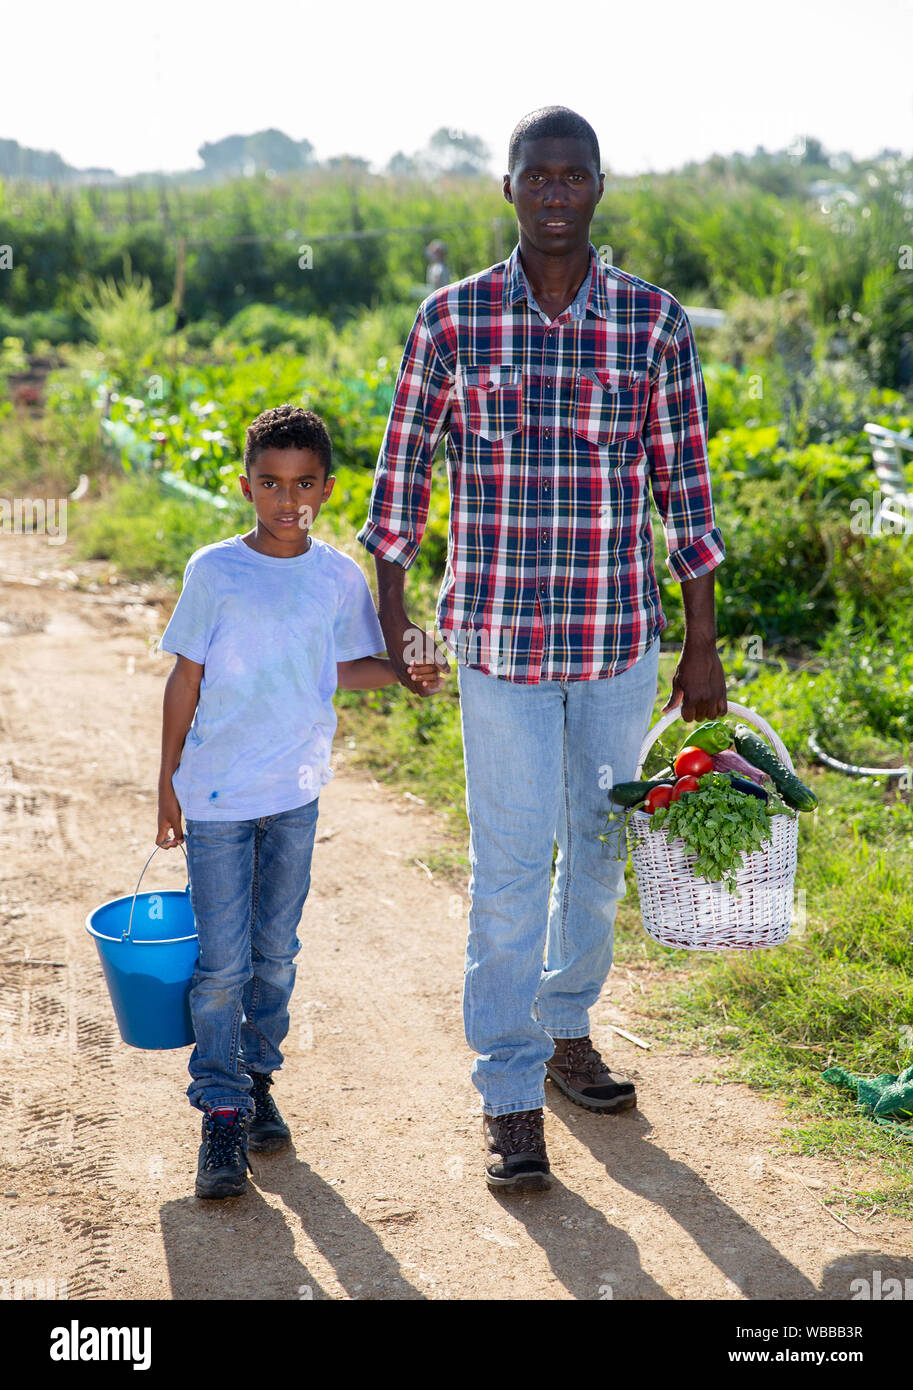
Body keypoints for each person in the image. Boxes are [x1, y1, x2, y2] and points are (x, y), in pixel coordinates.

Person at [357, 106, 728, 1193]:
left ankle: (567, 1028)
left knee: (598, 852)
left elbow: (688, 500)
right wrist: (398, 618)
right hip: (499, 647)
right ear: (507, 189)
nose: (556, 195)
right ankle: (510, 1091)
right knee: (512, 865)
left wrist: (699, 648)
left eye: (575, 178)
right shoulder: (455, 320)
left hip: (619, 642)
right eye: (538, 177)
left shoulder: (653, 326)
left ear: (599, 190)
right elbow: (399, 487)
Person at [155, 404, 442, 1199]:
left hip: (293, 796)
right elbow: (185, 678)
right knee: (220, 963)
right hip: (214, 795)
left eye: (305, 484)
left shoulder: (337, 578)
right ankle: (218, 1110)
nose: (289, 502)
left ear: (327, 486)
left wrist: (407, 675)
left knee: (275, 953)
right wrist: (166, 785)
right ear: (246, 485)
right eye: (272, 485)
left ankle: (255, 1077)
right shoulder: (214, 570)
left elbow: (340, 667)